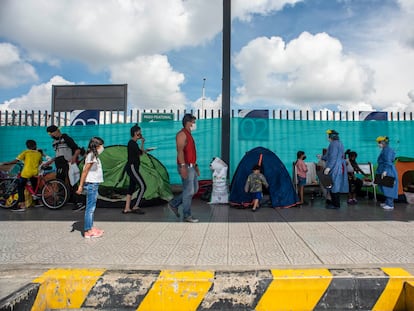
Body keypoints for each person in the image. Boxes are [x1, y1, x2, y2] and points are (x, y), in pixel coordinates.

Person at [168, 114, 200, 223]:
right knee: (189, 191)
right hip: (185, 166)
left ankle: (174, 203)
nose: (194, 124)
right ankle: (187, 215)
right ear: (188, 122)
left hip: (191, 166)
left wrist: (195, 166)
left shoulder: (189, 135)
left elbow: (190, 153)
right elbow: (180, 151)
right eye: (193, 122)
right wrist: (182, 167)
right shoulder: (182, 134)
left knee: (193, 190)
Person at [45, 125, 84, 210]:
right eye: (49, 134)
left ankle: (79, 202)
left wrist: (74, 157)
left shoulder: (66, 138)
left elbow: (77, 149)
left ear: (56, 131)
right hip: (59, 164)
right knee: (60, 182)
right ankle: (62, 200)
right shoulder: (54, 142)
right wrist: (50, 161)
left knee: (72, 183)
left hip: (67, 163)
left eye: (51, 133)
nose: (51, 135)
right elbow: (58, 154)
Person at [76, 137, 105, 239]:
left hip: (94, 184)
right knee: (90, 208)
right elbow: (85, 171)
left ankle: (91, 227)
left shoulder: (93, 156)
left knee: (92, 207)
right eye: (101, 145)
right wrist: (80, 185)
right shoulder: (91, 156)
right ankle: (88, 231)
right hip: (91, 184)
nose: (102, 147)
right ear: (96, 146)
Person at [3, 140, 42, 212]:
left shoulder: (25, 152)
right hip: (35, 172)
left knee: (20, 187)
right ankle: (37, 203)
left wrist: (6, 163)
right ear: (35, 145)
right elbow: (40, 162)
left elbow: (15, 161)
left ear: (27, 146)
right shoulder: (39, 154)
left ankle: (22, 205)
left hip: (26, 172)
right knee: (34, 186)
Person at [122, 124, 146, 214]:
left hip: (133, 167)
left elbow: (140, 153)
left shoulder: (134, 143)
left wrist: (142, 143)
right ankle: (135, 206)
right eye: (139, 132)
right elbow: (140, 152)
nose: (141, 133)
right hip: (132, 167)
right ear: (136, 133)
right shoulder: (132, 143)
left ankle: (127, 208)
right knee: (143, 186)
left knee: (131, 187)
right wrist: (142, 146)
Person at [323, 129, 349, 209]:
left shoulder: (333, 144)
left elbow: (333, 157)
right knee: (334, 185)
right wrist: (322, 157)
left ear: (331, 136)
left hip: (335, 168)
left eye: (327, 136)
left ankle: (336, 205)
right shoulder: (339, 143)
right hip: (339, 167)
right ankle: (335, 203)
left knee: (334, 185)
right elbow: (329, 156)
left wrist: (328, 168)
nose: (327, 137)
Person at [375, 136, 398, 210]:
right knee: (384, 187)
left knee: (388, 187)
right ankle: (387, 202)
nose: (378, 144)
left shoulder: (387, 150)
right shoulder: (385, 149)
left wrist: (385, 171)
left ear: (383, 143)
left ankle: (390, 204)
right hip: (383, 170)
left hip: (388, 171)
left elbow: (388, 161)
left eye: (379, 143)